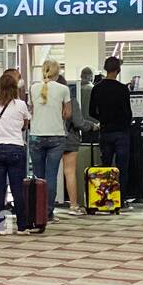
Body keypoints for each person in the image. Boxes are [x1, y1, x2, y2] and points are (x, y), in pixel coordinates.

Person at [0, 69, 33, 235]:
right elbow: (25, 124)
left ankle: (1, 227)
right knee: (17, 188)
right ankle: (21, 226)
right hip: (15, 148)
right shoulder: (20, 105)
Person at [27, 59, 71, 222]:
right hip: (56, 136)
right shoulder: (63, 89)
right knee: (51, 175)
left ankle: (38, 211)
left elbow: (31, 110)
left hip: (36, 135)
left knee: (38, 177)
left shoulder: (33, 88)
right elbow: (68, 114)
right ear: (57, 72)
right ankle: (48, 212)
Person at [89, 56, 134, 207]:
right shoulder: (122, 89)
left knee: (106, 166)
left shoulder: (97, 88)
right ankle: (121, 199)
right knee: (122, 167)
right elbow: (128, 113)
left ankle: (106, 197)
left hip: (105, 131)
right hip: (121, 132)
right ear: (118, 70)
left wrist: (102, 118)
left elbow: (91, 111)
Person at [59, 72, 86, 216]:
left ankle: (45, 206)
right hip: (69, 140)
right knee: (69, 172)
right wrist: (93, 126)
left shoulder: (45, 100)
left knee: (48, 173)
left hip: (49, 138)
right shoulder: (71, 101)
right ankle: (73, 206)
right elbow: (79, 122)